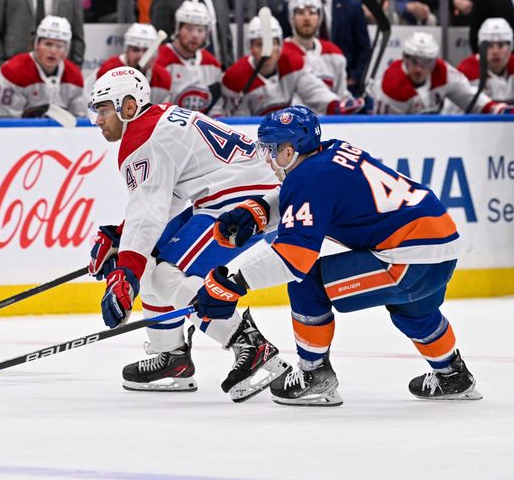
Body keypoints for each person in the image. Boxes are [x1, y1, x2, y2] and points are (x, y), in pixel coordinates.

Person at [196, 105, 483, 406]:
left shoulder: (308, 179)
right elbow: (312, 197)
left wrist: (233, 284)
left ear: (291, 151)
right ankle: (453, 375)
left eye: (273, 149)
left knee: (306, 281)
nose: (269, 158)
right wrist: (260, 211)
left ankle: (314, 374)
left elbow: (294, 258)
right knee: (414, 312)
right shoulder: (331, 153)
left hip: (407, 258)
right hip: (440, 250)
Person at [87, 65, 290, 401]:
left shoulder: (142, 137)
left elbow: (149, 211)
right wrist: (123, 239)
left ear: (127, 106)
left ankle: (249, 345)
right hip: (236, 193)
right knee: (150, 261)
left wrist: (125, 270)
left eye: (104, 110)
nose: (98, 120)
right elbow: (164, 199)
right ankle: (173, 357)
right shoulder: (158, 121)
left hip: (241, 201)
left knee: (169, 274)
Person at [221, 13, 359, 117]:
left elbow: (314, 91)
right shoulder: (235, 78)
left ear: (280, 45)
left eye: (272, 44)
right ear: (250, 47)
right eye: (259, 44)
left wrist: (334, 105)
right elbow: (238, 124)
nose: (266, 51)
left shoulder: (292, 63)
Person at [281, 0, 371, 97]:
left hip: (343, 86)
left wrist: (353, 78)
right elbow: (284, 44)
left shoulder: (352, 7)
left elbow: (364, 48)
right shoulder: (290, 6)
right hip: (299, 89)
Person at [374, 31, 513, 114]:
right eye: (415, 62)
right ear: (404, 59)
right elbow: (388, 129)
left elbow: (468, 95)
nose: (419, 69)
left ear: (434, 61)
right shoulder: (392, 85)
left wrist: (493, 108)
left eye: (427, 63)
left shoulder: (443, 71)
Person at [0, 15, 85, 118]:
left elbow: (78, 120)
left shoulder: (74, 76)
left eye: (59, 46)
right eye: (48, 44)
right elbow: (4, 121)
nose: (53, 51)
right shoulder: (13, 71)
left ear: (66, 50)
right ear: (36, 45)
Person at [154, 0, 222, 113]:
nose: (195, 35)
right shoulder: (159, 60)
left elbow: (216, 109)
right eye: (189, 29)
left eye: (200, 30)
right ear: (178, 29)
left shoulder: (212, 64)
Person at [283, 0, 351, 100]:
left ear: (320, 18)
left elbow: (341, 95)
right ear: (292, 18)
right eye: (300, 12)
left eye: (312, 12)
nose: (307, 18)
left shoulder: (334, 54)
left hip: (327, 116)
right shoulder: (280, 54)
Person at [95, 23, 172, 104]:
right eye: (135, 50)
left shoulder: (162, 78)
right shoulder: (109, 71)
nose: (141, 56)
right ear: (127, 51)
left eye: (146, 51)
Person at [458, 18, 514, 103]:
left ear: (510, 47)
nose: (495, 52)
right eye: (489, 46)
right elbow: (452, 113)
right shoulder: (466, 72)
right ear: (481, 48)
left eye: (501, 45)